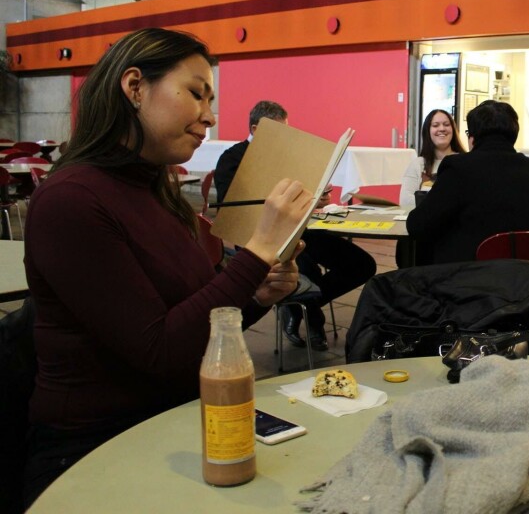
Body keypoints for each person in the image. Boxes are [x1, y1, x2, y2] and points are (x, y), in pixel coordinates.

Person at [22, 29, 311, 505]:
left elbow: (197, 322)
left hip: (174, 423)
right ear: (135, 87)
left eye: (211, 100)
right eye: (196, 93)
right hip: (94, 450)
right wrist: (258, 251)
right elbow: (160, 349)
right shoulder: (71, 200)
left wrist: (257, 295)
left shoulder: (157, 193)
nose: (209, 116)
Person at [214, 101, 376, 351]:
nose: (285, 139)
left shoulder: (288, 156)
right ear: (256, 130)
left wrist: (317, 197)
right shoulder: (232, 158)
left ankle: (295, 309)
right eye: (279, 132)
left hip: (301, 230)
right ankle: (313, 322)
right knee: (306, 269)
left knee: (362, 265)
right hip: (260, 237)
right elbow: (233, 209)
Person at [406, 99, 529, 264]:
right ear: (514, 134)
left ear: (473, 137)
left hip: (468, 278)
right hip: (526, 278)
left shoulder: (458, 167)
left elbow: (418, 225)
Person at [399, 109, 467, 207]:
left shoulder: (465, 161)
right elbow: (405, 202)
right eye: (435, 125)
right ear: (428, 131)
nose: (442, 128)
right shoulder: (418, 164)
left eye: (446, 124)